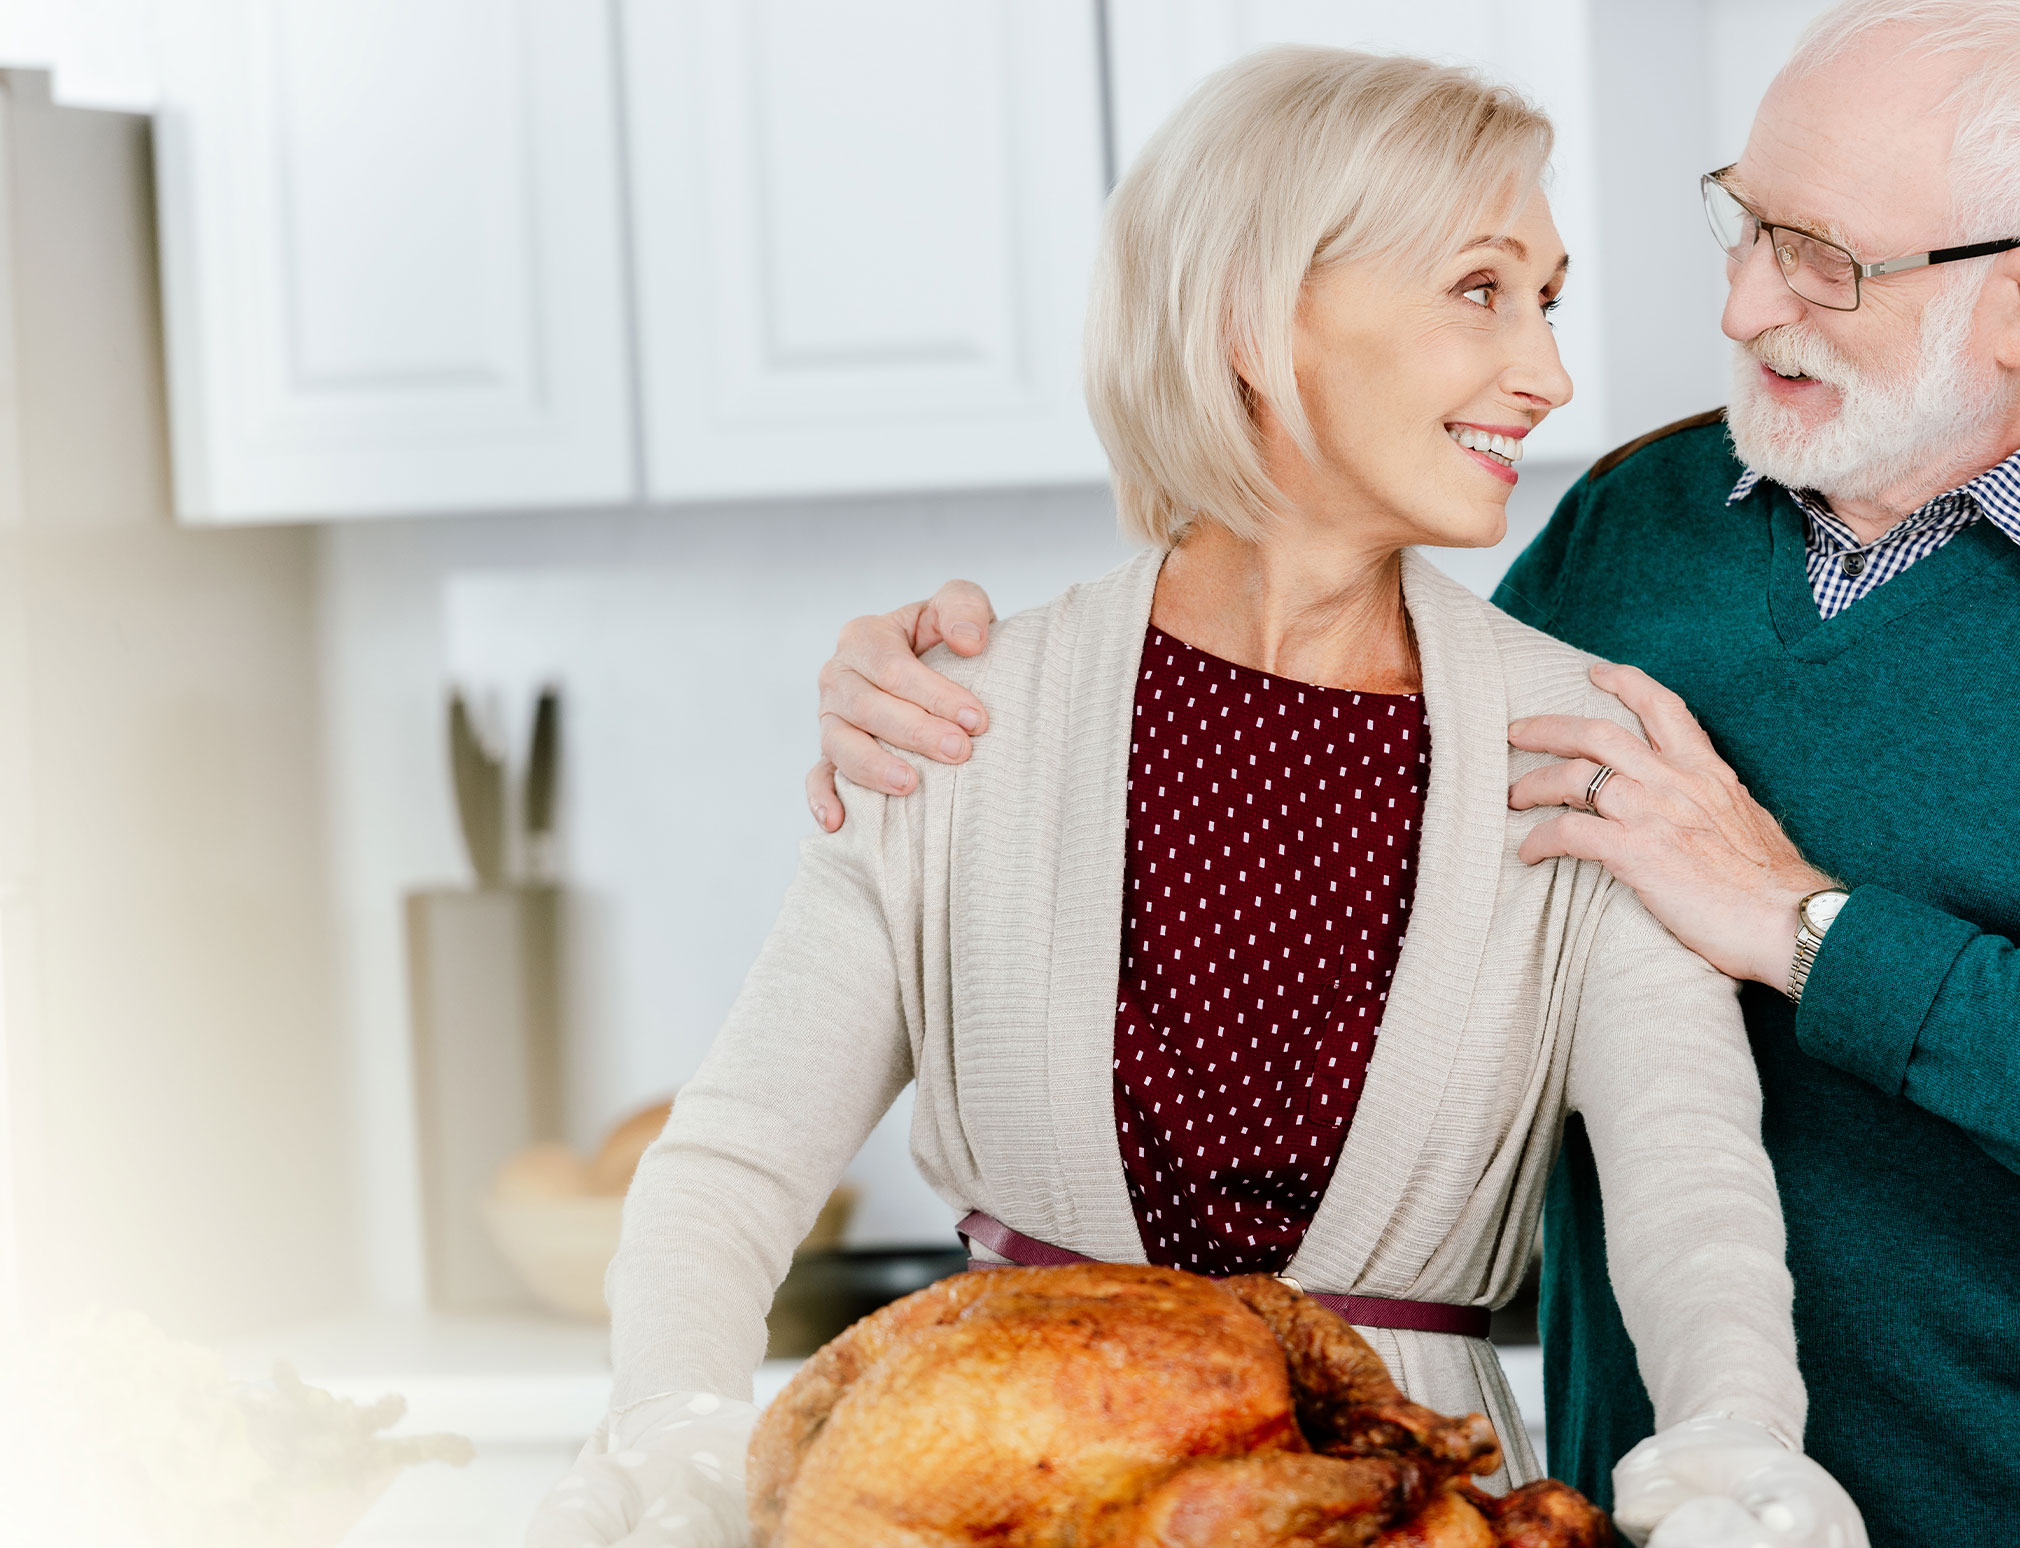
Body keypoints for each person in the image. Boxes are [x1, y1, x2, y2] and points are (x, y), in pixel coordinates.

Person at [802, 4, 2020, 1546]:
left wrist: (1806, 927)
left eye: (1825, 260)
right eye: (1743, 225)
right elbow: (1364, 794)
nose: (1748, 305)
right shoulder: (1636, 525)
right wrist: (963, 691)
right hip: (1665, 1510)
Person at [530, 46, 1864, 1548]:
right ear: (1254, 311)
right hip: (1012, 1488)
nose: (1546, 373)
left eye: (1544, 303)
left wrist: (1736, 1451)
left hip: (1397, 1508)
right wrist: (670, 1443)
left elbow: (1694, 1201)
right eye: (1482, 290)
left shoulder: (1584, 745)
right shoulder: (962, 712)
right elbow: (728, 1164)